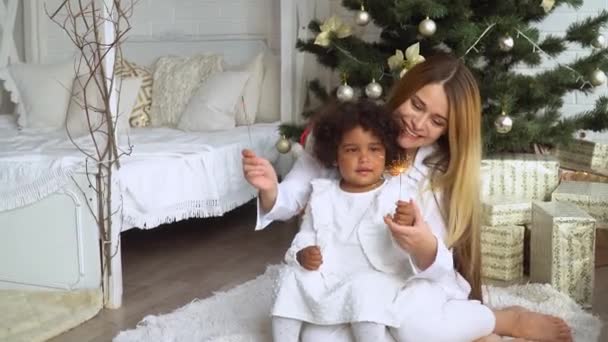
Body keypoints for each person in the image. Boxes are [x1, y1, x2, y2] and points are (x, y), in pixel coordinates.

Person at [242, 53, 572, 342]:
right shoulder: (342, 133)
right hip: (344, 274)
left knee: (413, 330)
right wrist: (271, 190)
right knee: (320, 334)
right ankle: (468, 333)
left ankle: (501, 319)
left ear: (448, 130)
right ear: (403, 91)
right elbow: (293, 197)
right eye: (416, 104)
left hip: (408, 277)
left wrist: (422, 244)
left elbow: (437, 267)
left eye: (437, 121)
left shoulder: (436, 172)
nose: (417, 122)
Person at [272, 100, 413, 342]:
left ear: (387, 152)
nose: (364, 158)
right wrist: (302, 253)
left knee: (364, 290)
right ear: (334, 155)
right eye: (352, 150)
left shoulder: (395, 194)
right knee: (290, 277)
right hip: (330, 273)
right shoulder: (322, 194)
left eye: (374, 149)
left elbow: (406, 247)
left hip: (374, 274)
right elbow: (306, 233)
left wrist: (407, 223)